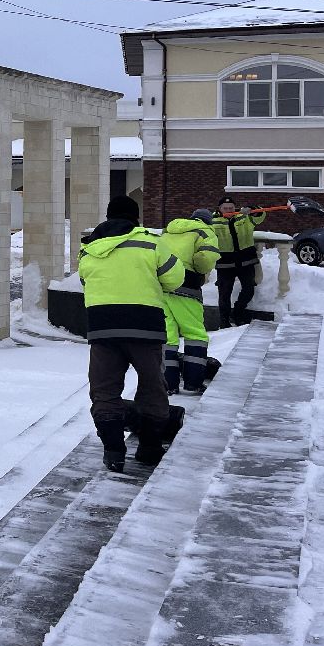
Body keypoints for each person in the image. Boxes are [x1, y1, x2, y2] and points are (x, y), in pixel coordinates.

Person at [79, 195, 185, 472]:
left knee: (104, 390)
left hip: (103, 328)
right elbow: (175, 278)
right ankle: (149, 449)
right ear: (135, 218)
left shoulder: (90, 247)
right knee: (152, 387)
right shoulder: (150, 242)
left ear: (108, 216)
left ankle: (113, 451)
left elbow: (84, 278)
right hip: (144, 327)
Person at [159, 207, 221, 395]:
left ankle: (168, 384)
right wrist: (199, 270)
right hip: (187, 285)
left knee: (168, 336)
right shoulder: (206, 231)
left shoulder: (169, 230)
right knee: (195, 335)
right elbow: (205, 258)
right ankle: (193, 382)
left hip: (161, 286)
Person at [211, 196, 266, 327]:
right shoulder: (212, 222)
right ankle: (224, 322)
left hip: (246, 260)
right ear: (220, 209)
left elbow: (260, 215)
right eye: (225, 208)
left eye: (230, 207)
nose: (229, 210)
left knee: (249, 289)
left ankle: (237, 312)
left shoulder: (244, 216)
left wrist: (252, 209)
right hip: (225, 263)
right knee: (224, 294)